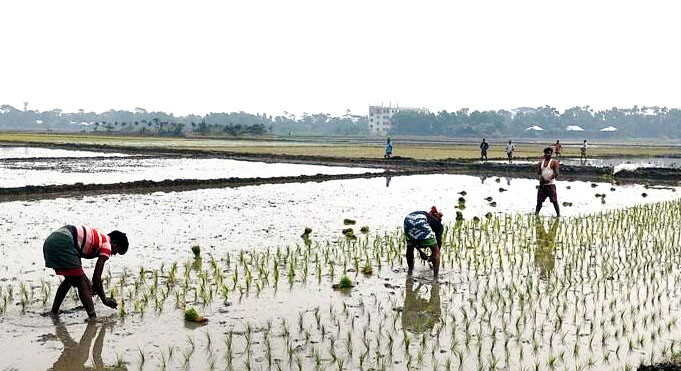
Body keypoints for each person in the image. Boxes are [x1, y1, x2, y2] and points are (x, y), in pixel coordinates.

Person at [43, 225, 128, 318]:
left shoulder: (99, 237)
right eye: (118, 251)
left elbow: (80, 271)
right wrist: (104, 299)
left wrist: (90, 284)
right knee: (82, 283)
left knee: (70, 280)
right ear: (114, 243)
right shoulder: (107, 245)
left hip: (51, 241)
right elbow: (96, 277)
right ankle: (93, 318)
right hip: (65, 241)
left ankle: (54, 312)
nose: (115, 254)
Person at [404, 207, 443, 279]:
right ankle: (435, 278)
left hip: (407, 220)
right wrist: (433, 255)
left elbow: (413, 241)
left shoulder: (427, 216)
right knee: (436, 251)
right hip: (420, 221)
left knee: (409, 247)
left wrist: (420, 251)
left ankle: (410, 272)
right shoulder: (438, 225)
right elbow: (438, 244)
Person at [535, 147, 560, 217]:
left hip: (551, 185)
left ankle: (558, 215)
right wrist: (541, 179)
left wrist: (549, 179)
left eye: (549, 153)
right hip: (542, 185)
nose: (548, 154)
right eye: (546, 153)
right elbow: (539, 173)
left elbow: (557, 173)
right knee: (539, 201)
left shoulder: (554, 162)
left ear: (551, 154)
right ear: (544, 154)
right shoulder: (541, 163)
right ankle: (536, 214)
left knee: (554, 201)